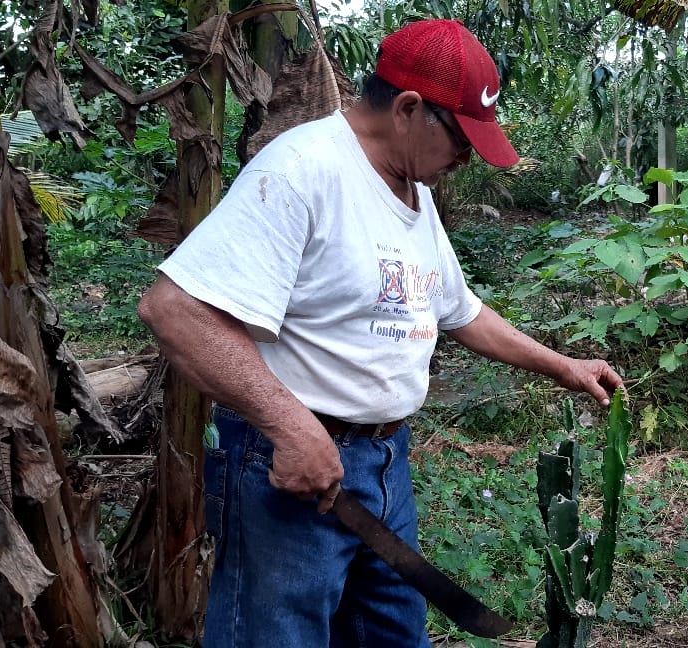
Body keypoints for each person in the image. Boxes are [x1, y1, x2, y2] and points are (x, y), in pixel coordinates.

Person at [136, 18, 624, 648]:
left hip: (384, 465)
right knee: (279, 635)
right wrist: (290, 427)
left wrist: (563, 366)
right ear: (410, 109)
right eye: (462, 138)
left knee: (391, 634)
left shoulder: (410, 189)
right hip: (293, 469)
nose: (467, 157)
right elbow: (173, 309)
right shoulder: (302, 170)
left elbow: (459, 310)